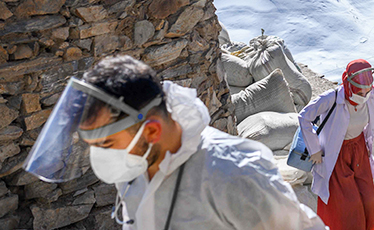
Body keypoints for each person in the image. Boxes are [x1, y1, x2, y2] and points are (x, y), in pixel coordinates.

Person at [24, 55, 326, 230]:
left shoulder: (234, 175)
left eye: (104, 144)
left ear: (152, 132)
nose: (98, 157)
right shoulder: (135, 164)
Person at [298, 59, 374, 230]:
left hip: (359, 151)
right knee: (349, 207)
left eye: (367, 90)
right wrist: (314, 149)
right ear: (349, 85)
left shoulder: (371, 96)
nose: (364, 95)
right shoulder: (332, 99)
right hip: (337, 156)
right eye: (360, 92)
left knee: (369, 203)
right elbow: (304, 117)